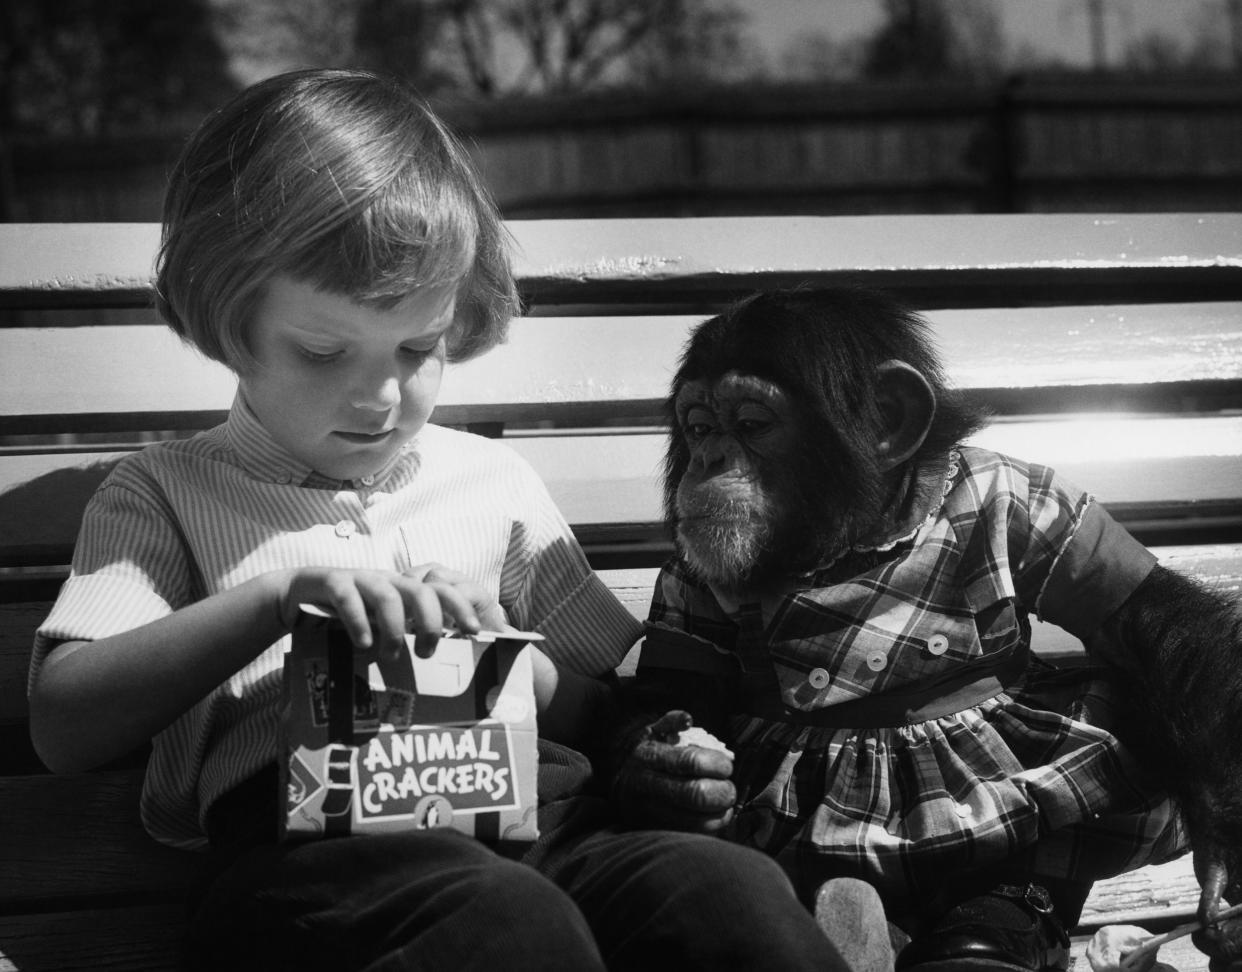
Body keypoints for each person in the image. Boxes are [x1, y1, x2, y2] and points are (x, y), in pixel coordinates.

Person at [27, 71, 861, 972]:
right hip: (315, 866)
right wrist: (277, 602)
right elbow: (66, 724)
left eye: (418, 349)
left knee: (723, 892)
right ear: (231, 326)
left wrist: (516, 665)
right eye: (322, 350)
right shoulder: (165, 490)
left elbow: (601, 699)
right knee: (507, 927)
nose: (381, 395)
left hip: (544, 822)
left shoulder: (490, 478)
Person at [609, 288, 1242, 972]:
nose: (708, 464)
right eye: (700, 428)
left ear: (886, 421)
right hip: (808, 832)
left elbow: (1175, 637)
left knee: (1141, 707)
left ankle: (1003, 918)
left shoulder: (996, 500)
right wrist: (658, 759)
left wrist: (1227, 820)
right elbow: (667, 706)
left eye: (753, 424)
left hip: (999, 811)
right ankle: (856, 936)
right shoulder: (714, 566)